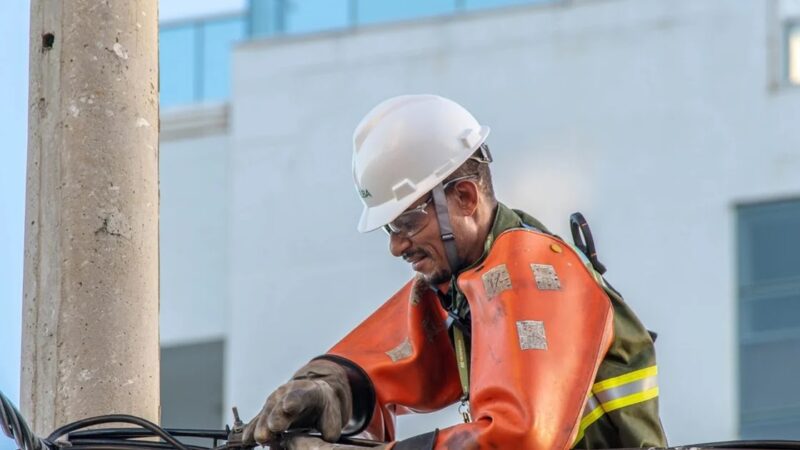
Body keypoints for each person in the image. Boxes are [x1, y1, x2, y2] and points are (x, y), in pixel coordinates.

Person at [242, 95, 667, 449]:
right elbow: (398, 355)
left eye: (407, 223)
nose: (396, 246)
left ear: (464, 197)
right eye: (391, 228)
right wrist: (329, 387)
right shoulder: (470, 282)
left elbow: (520, 440)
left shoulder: (533, 274)